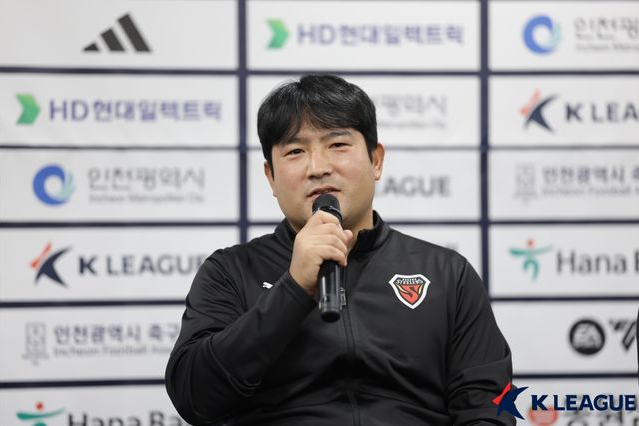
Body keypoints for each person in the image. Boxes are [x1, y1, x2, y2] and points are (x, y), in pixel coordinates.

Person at [166, 75, 515, 425]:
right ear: (271, 176)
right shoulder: (230, 272)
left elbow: (486, 406)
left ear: (376, 160)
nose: (318, 168)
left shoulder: (447, 273)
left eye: (337, 144)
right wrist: (293, 289)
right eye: (295, 151)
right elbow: (195, 398)